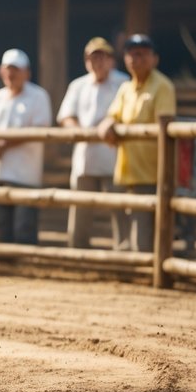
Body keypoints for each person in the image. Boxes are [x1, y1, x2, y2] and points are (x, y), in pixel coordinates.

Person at [97, 34, 177, 253]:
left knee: (143, 235)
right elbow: (113, 115)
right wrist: (109, 122)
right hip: (126, 170)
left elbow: (165, 127)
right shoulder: (125, 88)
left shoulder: (163, 87)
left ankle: (145, 277)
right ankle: (127, 274)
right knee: (123, 231)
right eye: (131, 54)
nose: (135, 59)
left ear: (154, 59)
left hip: (150, 172)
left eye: (141, 54)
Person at [57, 37, 129, 249]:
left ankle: (125, 252)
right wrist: (77, 131)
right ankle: (77, 251)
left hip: (114, 156)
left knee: (120, 207)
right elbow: (65, 116)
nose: (96, 61)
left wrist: (112, 123)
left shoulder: (123, 83)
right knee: (80, 207)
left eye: (101, 56)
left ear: (110, 59)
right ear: (86, 60)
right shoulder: (78, 85)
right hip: (85, 157)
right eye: (92, 57)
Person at [0, 49, 52, 246]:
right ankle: (4, 268)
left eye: (16, 70)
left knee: (24, 227)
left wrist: (2, 145)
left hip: (26, 173)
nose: (11, 74)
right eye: (8, 70)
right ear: (1, 72)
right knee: (1, 226)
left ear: (27, 73)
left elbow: (39, 128)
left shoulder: (38, 96)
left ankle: (25, 270)